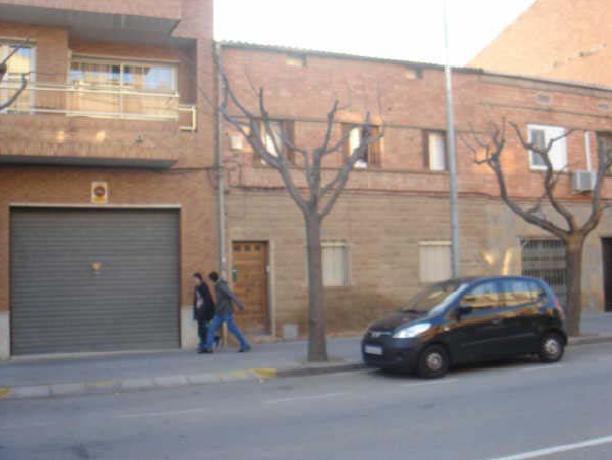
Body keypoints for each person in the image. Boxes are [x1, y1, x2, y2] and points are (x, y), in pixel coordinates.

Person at [202, 271, 251, 353]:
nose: (210, 282)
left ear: (212, 279)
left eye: (210, 280)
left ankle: (245, 345)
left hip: (226, 312)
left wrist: (239, 304)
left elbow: (231, 295)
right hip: (219, 312)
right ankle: (209, 347)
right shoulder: (217, 286)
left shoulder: (222, 285)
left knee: (233, 329)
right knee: (211, 328)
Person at [192, 272, 218, 353]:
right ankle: (207, 342)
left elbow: (207, 301)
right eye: (194, 279)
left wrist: (204, 312)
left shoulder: (203, 286)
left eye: (195, 279)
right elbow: (196, 300)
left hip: (205, 312)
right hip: (200, 312)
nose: (194, 280)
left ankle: (206, 345)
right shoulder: (196, 287)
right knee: (201, 330)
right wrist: (195, 312)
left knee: (204, 329)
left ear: (199, 279)